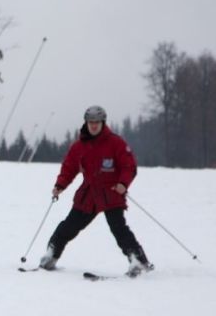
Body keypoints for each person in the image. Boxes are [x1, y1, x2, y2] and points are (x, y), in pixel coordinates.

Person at [39, 105, 154, 276]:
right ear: (86, 123)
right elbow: (69, 168)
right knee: (68, 227)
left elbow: (129, 166)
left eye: (97, 122)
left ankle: (139, 261)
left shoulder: (116, 143)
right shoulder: (78, 146)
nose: (94, 125)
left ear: (102, 123)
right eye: (91, 122)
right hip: (88, 196)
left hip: (112, 193)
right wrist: (60, 185)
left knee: (119, 229)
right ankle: (51, 255)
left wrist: (123, 183)